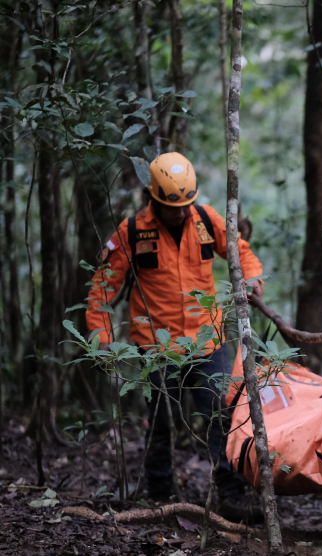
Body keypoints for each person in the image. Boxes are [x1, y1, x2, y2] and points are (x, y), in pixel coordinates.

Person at [86, 153, 263, 519]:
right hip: (156, 345)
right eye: (172, 207)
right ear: (153, 198)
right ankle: (161, 495)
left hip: (206, 340)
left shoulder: (206, 219)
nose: (181, 213)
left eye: (186, 204)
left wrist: (252, 277)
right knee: (161, 420)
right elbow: (103, 285)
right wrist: (100, 334)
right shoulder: (132, 230)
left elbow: (239, 251)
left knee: (219, 412)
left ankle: (232, 495)